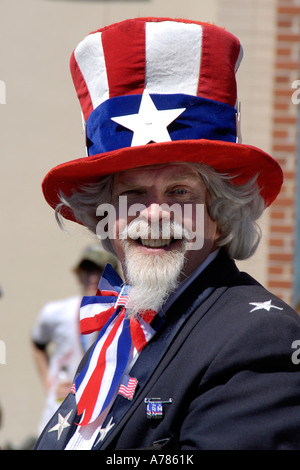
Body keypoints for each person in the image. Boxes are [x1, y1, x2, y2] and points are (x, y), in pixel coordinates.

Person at [34, 17, 300, 450]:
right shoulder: (123, 328)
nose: (155, 213)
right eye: (133, 192)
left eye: (180, 190)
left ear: (220, 209)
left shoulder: (259, 341)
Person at [32, 245, 120, 433]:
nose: (94, 277)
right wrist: (50, 381)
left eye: (102, 270)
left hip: (100, 414)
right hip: (59, 413)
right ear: (79, 273)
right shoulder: (56, 312)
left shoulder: (124, 316)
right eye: (88, 269)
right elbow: (37, 343)